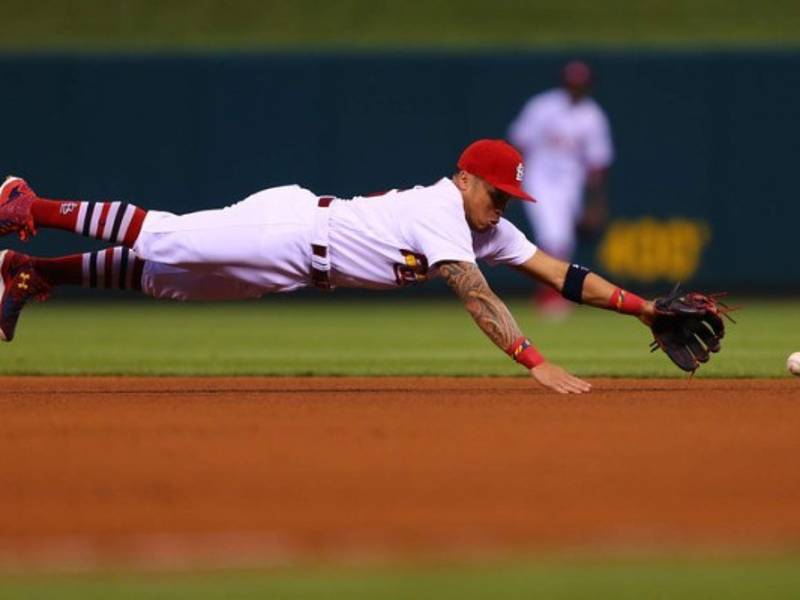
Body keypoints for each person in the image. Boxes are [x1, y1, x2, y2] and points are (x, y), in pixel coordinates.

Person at [0, 139, 656, 395]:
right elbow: (475, 294)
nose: (501, 207)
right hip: (291, 230)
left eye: (510, 198)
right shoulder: (443, 212)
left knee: (169, 279)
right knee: (168, 241)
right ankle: (30, 204)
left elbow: (563, 274)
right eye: (494, 193)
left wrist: (646, 309)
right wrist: (535, 360)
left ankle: (36, 274)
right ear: (463, 179)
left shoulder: (488, 226)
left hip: (294, 267)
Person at [508, 60, 614, 316]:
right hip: (539, 179)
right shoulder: (543, 106)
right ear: (564, 82)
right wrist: (511, 184)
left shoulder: (593, 115)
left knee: (562, 239)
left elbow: (597, 165)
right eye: (572, 83)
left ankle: (554, 292)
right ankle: (550, 294)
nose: (575, 88)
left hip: (570, 183)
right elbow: (518, 143)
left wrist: (595, 205)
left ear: (588, 86)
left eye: (581, 84)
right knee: (552, 235)